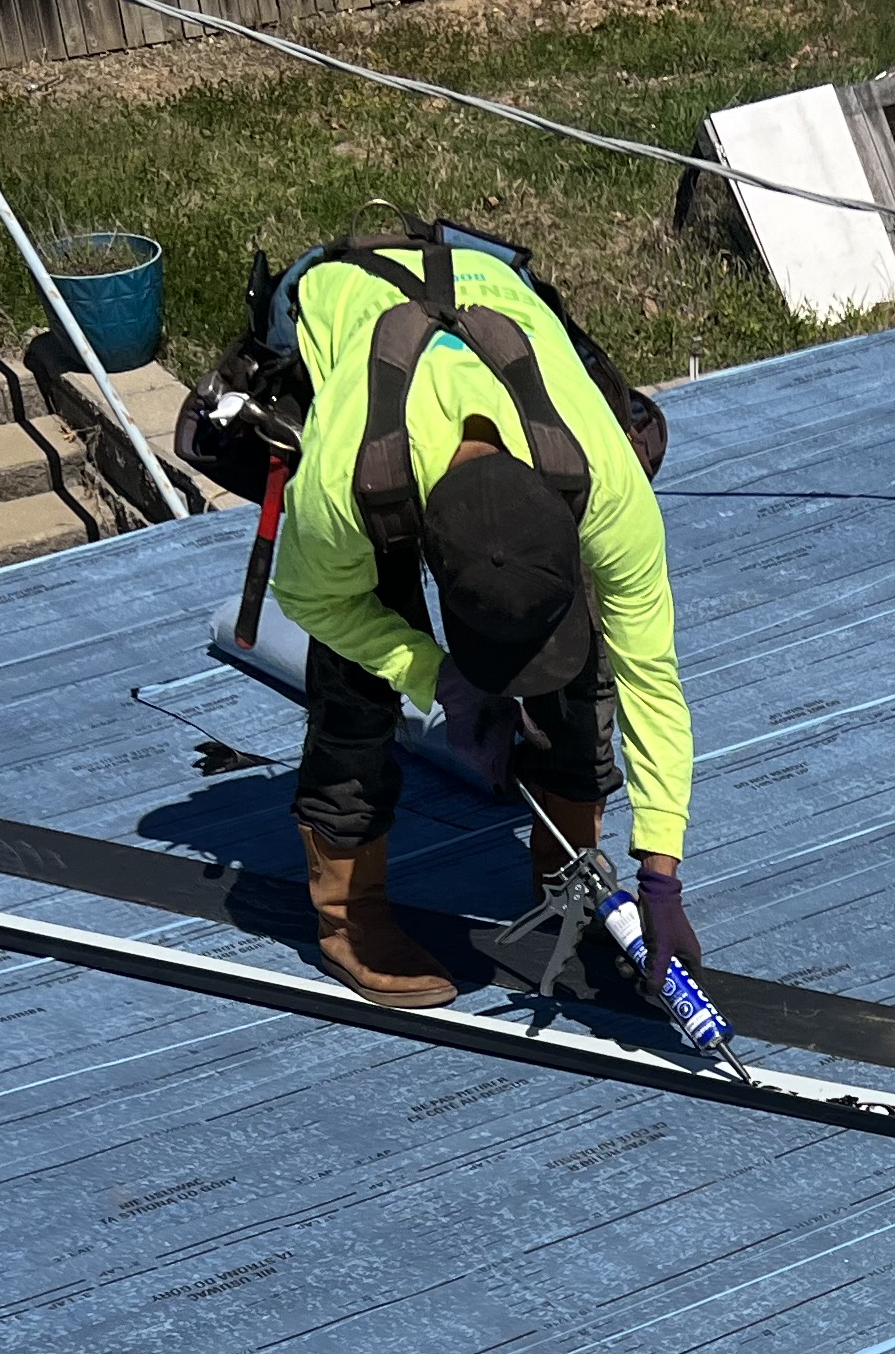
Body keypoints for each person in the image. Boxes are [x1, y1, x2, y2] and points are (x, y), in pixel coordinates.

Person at [259, 234, 694, 1009]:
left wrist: (661, 869)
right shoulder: (348, 486)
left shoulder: (603, 487)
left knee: (586, 667)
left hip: (481, 286)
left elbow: (650, 677)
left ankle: (571, 873)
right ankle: (348, 918)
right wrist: (438, 674)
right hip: (352, 334)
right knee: (357, 682)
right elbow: (311, 599)